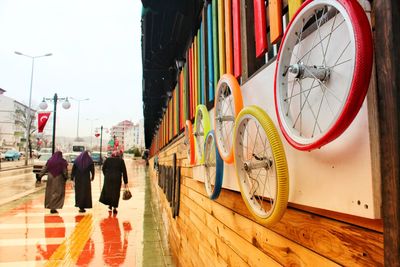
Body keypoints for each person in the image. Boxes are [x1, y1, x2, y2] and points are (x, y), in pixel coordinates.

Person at [99, 150, 128, 214]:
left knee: (109, 192)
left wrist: (106, 175)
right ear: (118, 155)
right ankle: (114, 207)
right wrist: (125, 182)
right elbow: (124, 172)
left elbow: (103, 168)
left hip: (108, 178)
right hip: (117, 179)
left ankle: (110, 205)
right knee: (116, 193)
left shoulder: (108, 160)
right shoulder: (121, 161)